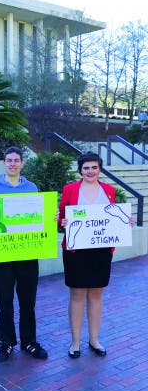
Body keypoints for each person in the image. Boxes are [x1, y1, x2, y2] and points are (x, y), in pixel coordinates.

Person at [59, 152, 125, 359]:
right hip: (76, 251)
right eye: (86, 168)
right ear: (80, 170)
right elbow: (61, 218)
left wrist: (125, 222)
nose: (90, 171)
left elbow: (115, 217)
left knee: (97, 294)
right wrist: (62, 223)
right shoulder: (70, 190)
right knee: (77, 294)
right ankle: (75, 342)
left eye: (94, 167)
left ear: (99, 169)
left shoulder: (109, 190)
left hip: (101, 250)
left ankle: (94, 340)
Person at [0, 147, 48, 362]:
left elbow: (38, 219)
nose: (12, 164)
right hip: (2, 257)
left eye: (16, 160)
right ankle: (8, 342)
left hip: (28, 254)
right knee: (4, 301)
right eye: (9, 160)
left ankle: (29, 341)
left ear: (22, 164)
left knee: (27, 302)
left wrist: (51, 216)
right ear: (4, 163)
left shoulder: (32, 188)